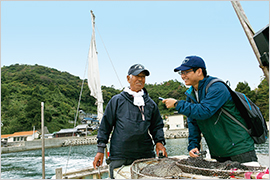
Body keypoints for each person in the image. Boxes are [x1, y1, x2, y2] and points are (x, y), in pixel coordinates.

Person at [162, 55, 257, 163]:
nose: (182, 76)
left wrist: (176, 104)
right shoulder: (191, 94)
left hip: (240, 149)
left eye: (186, 72)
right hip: (217, 152)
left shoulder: (217, 87)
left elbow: (204, 111)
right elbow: (192, 121)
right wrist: (193, 145)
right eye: (181, 73)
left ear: (199, 71)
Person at [93, 64, 167, 178]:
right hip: (120, 154)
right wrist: (100, 150)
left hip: (145, 154)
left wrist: (159, 142)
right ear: (128, 78)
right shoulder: (116, 100)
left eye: (143, 76)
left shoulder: (150, 104)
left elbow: (157, 126)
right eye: (137, 76)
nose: (140, 79)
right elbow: (105, 126)